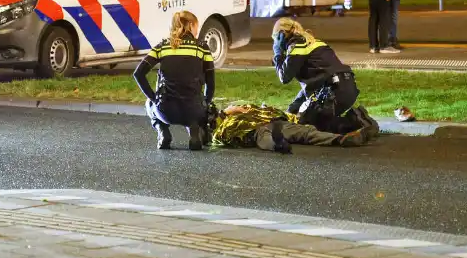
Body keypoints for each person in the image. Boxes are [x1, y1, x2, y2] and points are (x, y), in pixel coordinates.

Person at [272, 18, 379, 137]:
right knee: (303, 117)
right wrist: (292, 109)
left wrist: (277, 53)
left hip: (333, 92)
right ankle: (356, 118)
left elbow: (284, 77)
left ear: (281, 35)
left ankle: (357, 122)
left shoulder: (297, 47)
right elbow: (311, 86)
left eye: (275, 38)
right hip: (344, 87)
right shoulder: (312, 42)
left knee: (311, 125)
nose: (275, 42)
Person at [133, 11, 215, 151]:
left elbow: (138, 74)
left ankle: (163, 132)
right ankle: (194, 131)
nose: (197, 31)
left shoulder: (162, 46)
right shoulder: (202, 48)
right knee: (199, 105)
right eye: (197, 26)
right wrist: (205, 105)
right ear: (190, 25)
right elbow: (210, 84)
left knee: (149, 103)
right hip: (194, 111)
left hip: (165, 111)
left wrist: (153, 98)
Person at [210, 103, 369, 154]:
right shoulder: (225, 121)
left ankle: (342, 139)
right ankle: (278, 144)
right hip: (256, 129)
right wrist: (225, 112)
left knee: (306, 132)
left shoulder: (250, 107)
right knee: (266, 139)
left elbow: (270, 110)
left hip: (274, 123)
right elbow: (218, 135)